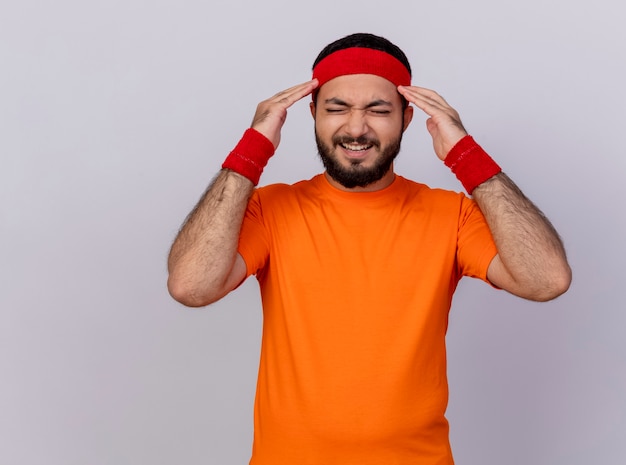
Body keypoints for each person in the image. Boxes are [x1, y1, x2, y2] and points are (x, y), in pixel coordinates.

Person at [167, 33, 571, 465]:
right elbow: (191, 286)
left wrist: (466, 156)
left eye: (378, 110)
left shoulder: (451, 215)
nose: (356, 128)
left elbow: (546, 280)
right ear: (312, 114)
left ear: (407, 118)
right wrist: (253, 148)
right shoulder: (271, 210)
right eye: (336, 108)